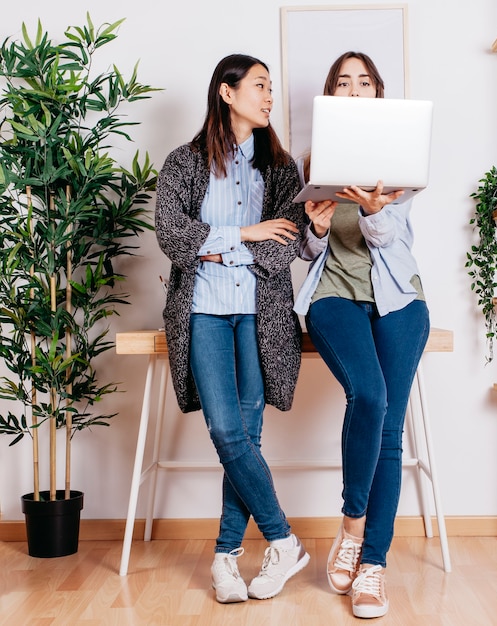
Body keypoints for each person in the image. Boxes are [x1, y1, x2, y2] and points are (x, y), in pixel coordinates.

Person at [155, 53, 308, 604]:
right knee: (227, 432)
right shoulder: (184, 162)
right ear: (227, 91)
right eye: (261, 86)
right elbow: (172, 235)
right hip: (201, 311)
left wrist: (217, 247)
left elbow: (284, 243)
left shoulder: (282, 168)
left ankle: (224, 558)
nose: (270, 97)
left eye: (272, 88)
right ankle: (283, 541)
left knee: (247, 438)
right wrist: (245, 233)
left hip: (261, 314)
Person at [294, 51, 430, 619]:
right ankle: (352, 524)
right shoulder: (314, 160)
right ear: (331, 94)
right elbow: (309, 250)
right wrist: (317, 227)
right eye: (342, 82)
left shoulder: (400, 157)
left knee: (390, 431)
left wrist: (373, 210)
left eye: (363, 82)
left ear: (378, 92)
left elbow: (390, 237)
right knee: (368, 395)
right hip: (334, 297)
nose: (354, 90)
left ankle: (372, 564)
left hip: (399, 299)